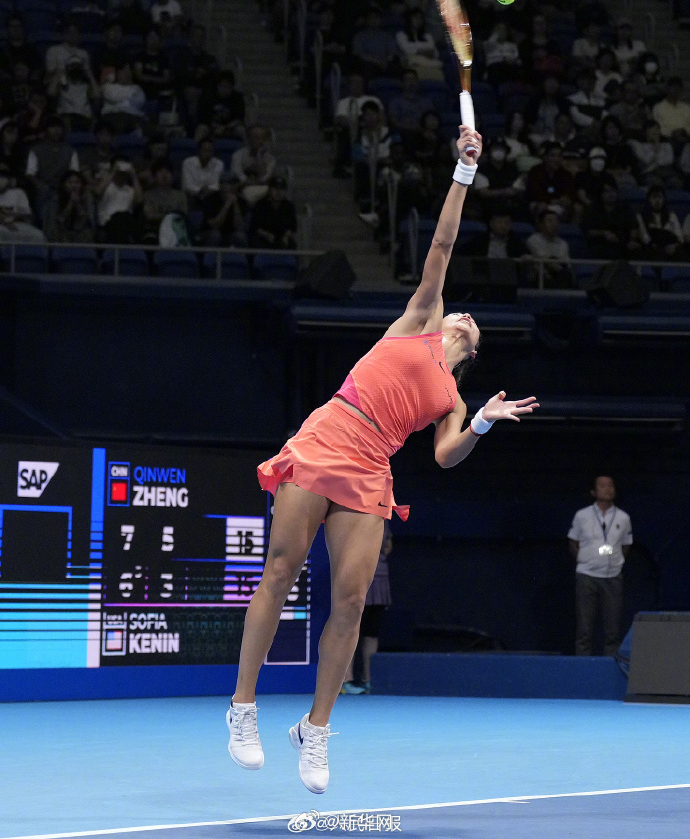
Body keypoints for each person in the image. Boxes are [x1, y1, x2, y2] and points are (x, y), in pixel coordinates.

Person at [226, 124, 538, 794]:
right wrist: (462, 172)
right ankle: (243, 708)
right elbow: (445, 244)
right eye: (461, 316)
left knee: (349, 602)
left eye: (470, 328)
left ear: (471, 350)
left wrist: (482, 420)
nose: (463, 320)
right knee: (280, 569)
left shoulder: (453, 394)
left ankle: (315, 730)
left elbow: (448, 456)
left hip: (371, 468)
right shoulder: (422, 316)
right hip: (329, 435)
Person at [568, 476, 632, 656]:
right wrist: (585, 558)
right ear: (593, 492)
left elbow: (626, 544)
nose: (608, 489)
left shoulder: (623, 517)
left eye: (611, 485)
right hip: (587, 576)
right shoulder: (582, 515)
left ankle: (610, 669)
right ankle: (582, 668)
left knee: (612, 630)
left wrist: (616, 562)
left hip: (612, 577)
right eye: (603, 486)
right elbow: (573, 542)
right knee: (584, 629)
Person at [341, 519, 392, 695]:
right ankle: (345, 680)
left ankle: (368, 680)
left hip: (380, 581)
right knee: (352, 630)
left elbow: (387, 547)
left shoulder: (384, 520)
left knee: (372, 632)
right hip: (358, 578)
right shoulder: (354, 518)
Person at [582, 181, 637, 260]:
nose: (611, 194)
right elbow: (588, 231)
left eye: (613, 190)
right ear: (601, 194)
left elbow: (633, 227)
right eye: (607, 191)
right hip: (600, 245)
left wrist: (632, 240)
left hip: (622, 246)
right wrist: (603, 233)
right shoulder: (593, 209)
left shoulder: (625, 208)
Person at [96, 157, 143, 243]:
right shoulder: (106, 187)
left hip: (127, 223)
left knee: (124, 218)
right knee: (120, 218)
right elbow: (97, 192)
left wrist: (133, 176)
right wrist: (113, 172)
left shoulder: (131, 190)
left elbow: (139, 201)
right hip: (108, 224)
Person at [526, 208, 574, 288]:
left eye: (556, 221)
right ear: (541, 224)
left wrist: (558, 268)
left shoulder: (563, 243)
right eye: (550, 221)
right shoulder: (534, 239)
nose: (554, 224)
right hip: (540, 275)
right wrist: (556, 266)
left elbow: (565, 264)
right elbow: (543, 259)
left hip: (559, 275)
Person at [633, 186, 685, 260]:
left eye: (660, 197)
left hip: (671, 246)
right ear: (648, 200)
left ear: (664, 200)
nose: (657, 201)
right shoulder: (641, 216)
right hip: (652, 248)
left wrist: (674, 246)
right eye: (654, 197)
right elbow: (645, 237)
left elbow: (680, 236)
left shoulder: (671, 215)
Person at [142, 160, 188, 242]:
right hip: (154, 229)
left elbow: (183, 214)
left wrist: (162, 216)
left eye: (167, 172)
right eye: (160, 172)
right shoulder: (148, 195)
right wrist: (169, 217)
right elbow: (149, 216)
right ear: (154, 176)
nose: (164, 175)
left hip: (175, 229)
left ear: (173, 176)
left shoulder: (181, 196)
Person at [43, 171, 95, 243]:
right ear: (64, 185)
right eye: (70, 183)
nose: (74, 185)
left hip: (80, 234)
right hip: (61, 232)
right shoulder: (56, 199)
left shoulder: (87, 199)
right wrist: (70, 204)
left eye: (77, 183)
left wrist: (78, 204)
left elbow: (88, 222)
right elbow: (58, 221)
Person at [248, 174, 297, 249]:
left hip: (282, 238)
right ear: (270, 190)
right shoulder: (261, 204)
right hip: (263, 237)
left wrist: (286, 236)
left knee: (292, 245)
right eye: (276, 189)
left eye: (281, 189)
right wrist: (266, 235)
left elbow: (293, 227)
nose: (279, 192)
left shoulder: (289, 206)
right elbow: (254, 227)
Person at [0, 162, 45, 242]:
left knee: (38, 235)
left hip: (17, 224)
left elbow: (27, 214)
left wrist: (14, 216)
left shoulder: (19, 193)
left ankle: (32, 255)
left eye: (3, 176)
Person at [230, 125, 276, 203]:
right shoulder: (238, 155)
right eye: (256, 137)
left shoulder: (270, 159)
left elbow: (264, 178)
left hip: (262, 188)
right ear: (249, 139)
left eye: (262, 138)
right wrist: (248, 182)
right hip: (242, 188)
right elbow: (237, 174)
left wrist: (259, 157)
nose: (260, 141)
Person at [387, 69, 434, 144]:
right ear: (402, 83)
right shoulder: (395, 102)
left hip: (425, 133)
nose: (411, 82)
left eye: (413, 79)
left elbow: (432, 119)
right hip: (405, 134)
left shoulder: (426, 102)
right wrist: (415, 130)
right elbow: (394, 122)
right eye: (407, 80)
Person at [395, 9, 442, 81]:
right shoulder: (401, 35)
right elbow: (407, 49)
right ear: (409, 19)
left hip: (430, 63)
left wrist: (419, 51)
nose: (418, 20)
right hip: (413, 64)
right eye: (416, 17)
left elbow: (435, 53)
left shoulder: (427, 36)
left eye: (420, 18)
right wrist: (424, 52)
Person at [351, 7, 399, 79]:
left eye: (377, 18)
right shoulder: (360, 36)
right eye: (371, 18)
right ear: (366, 20)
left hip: (385, 62)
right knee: (366, 67)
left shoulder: (387, 35)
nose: (374, 20)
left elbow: (392, 52)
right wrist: (377, 61)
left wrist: (386, 60)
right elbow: (359, 53)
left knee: (395, 66)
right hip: (369, 63)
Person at [100, 63, 147, 135]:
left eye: (127, 71)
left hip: (132, 116)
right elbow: (113, 98)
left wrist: (122, 99)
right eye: (123, 71)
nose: (125, 74)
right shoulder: (108, 86)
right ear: (117, 73)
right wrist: (128, 97)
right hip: (111, 116)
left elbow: (138, 103)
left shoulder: (138, 88)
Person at [631, 120, 680, 188]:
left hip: (666, 172)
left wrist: (655, 164)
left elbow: (669, 160)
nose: (655, 131)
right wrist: (656, 149)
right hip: (649, 173)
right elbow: (646, 160)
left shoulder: (666, 145)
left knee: (675, 182)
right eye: (651, 128)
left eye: (657, 128)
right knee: (656, 183)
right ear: (645, 132)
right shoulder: (640, 146)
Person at [652, 77, 690, 142]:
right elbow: (658, 128)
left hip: (686, 138)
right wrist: (673, 133)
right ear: (667, 89)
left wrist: (683, 131)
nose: (675, 91)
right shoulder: (658, 107)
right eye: (673, 88)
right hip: (668, 140)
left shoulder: (686, 107)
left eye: (678, 89)